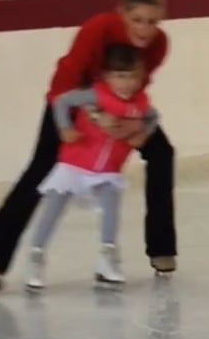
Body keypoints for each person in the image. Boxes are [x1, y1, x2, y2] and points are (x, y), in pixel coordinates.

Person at [0, 0, 176, 294]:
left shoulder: (158, 44)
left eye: (152, 22)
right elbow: (68, 83)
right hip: (69, 100)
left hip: (119, 106)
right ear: (122, 14)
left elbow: (137, 90)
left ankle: (161, 247)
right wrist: (95, 117)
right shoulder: (98, 29)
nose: (145, 29)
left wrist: (135, 127)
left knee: (162, 152)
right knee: (41, 170)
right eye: (137, 20)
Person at [25, 43, 156, 292]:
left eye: (132, 77)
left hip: (108, 169)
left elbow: (152, 117)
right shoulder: (95, 96)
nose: (126, 83)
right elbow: (62, 102)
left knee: (110, 212)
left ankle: (108, 257)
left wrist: (143, 133)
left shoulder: (140, 104)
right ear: (107, 76)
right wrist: (65, 128)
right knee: (53, 208)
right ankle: (36, 255)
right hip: (75, 163)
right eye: (120, 76)